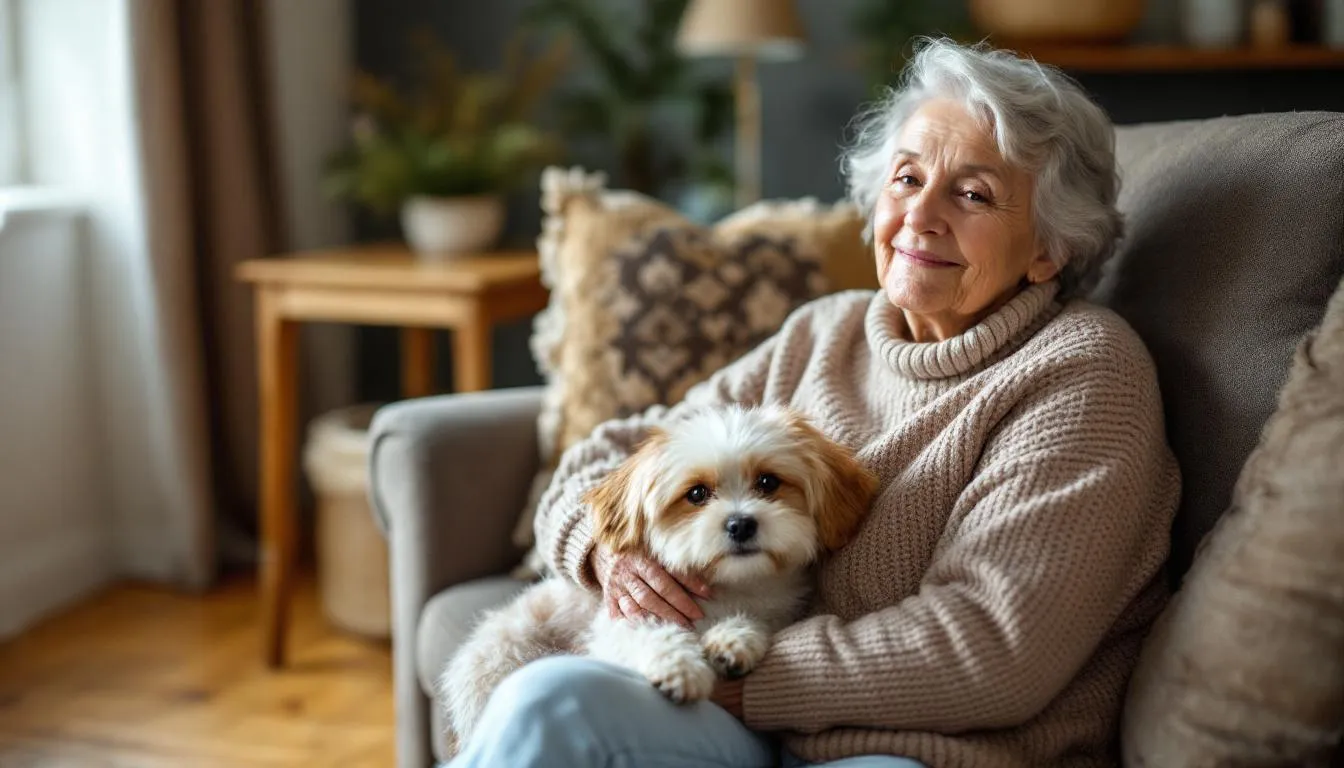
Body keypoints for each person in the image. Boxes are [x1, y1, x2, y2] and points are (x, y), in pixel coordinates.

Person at [450, 38, 1180, 768]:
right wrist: (606, 555)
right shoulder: (826, 331)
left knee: (555, 707)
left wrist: (731, 665)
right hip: (761, 727)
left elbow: (990, 649)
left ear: (1048, 249)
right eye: (907, 178)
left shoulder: (1083, 372)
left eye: (973, 193)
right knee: (545, 699)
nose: (920, 215)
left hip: (926, 753)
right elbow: (614, 457)